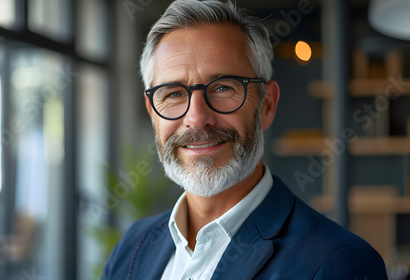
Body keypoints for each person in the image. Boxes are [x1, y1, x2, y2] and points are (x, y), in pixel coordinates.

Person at [102, 0, 388, 279]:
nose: (197, 118)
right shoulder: (131, 248)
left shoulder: (337, 263)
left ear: (267, 105)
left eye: (223, 87)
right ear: (153, 111)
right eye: (174, 93)